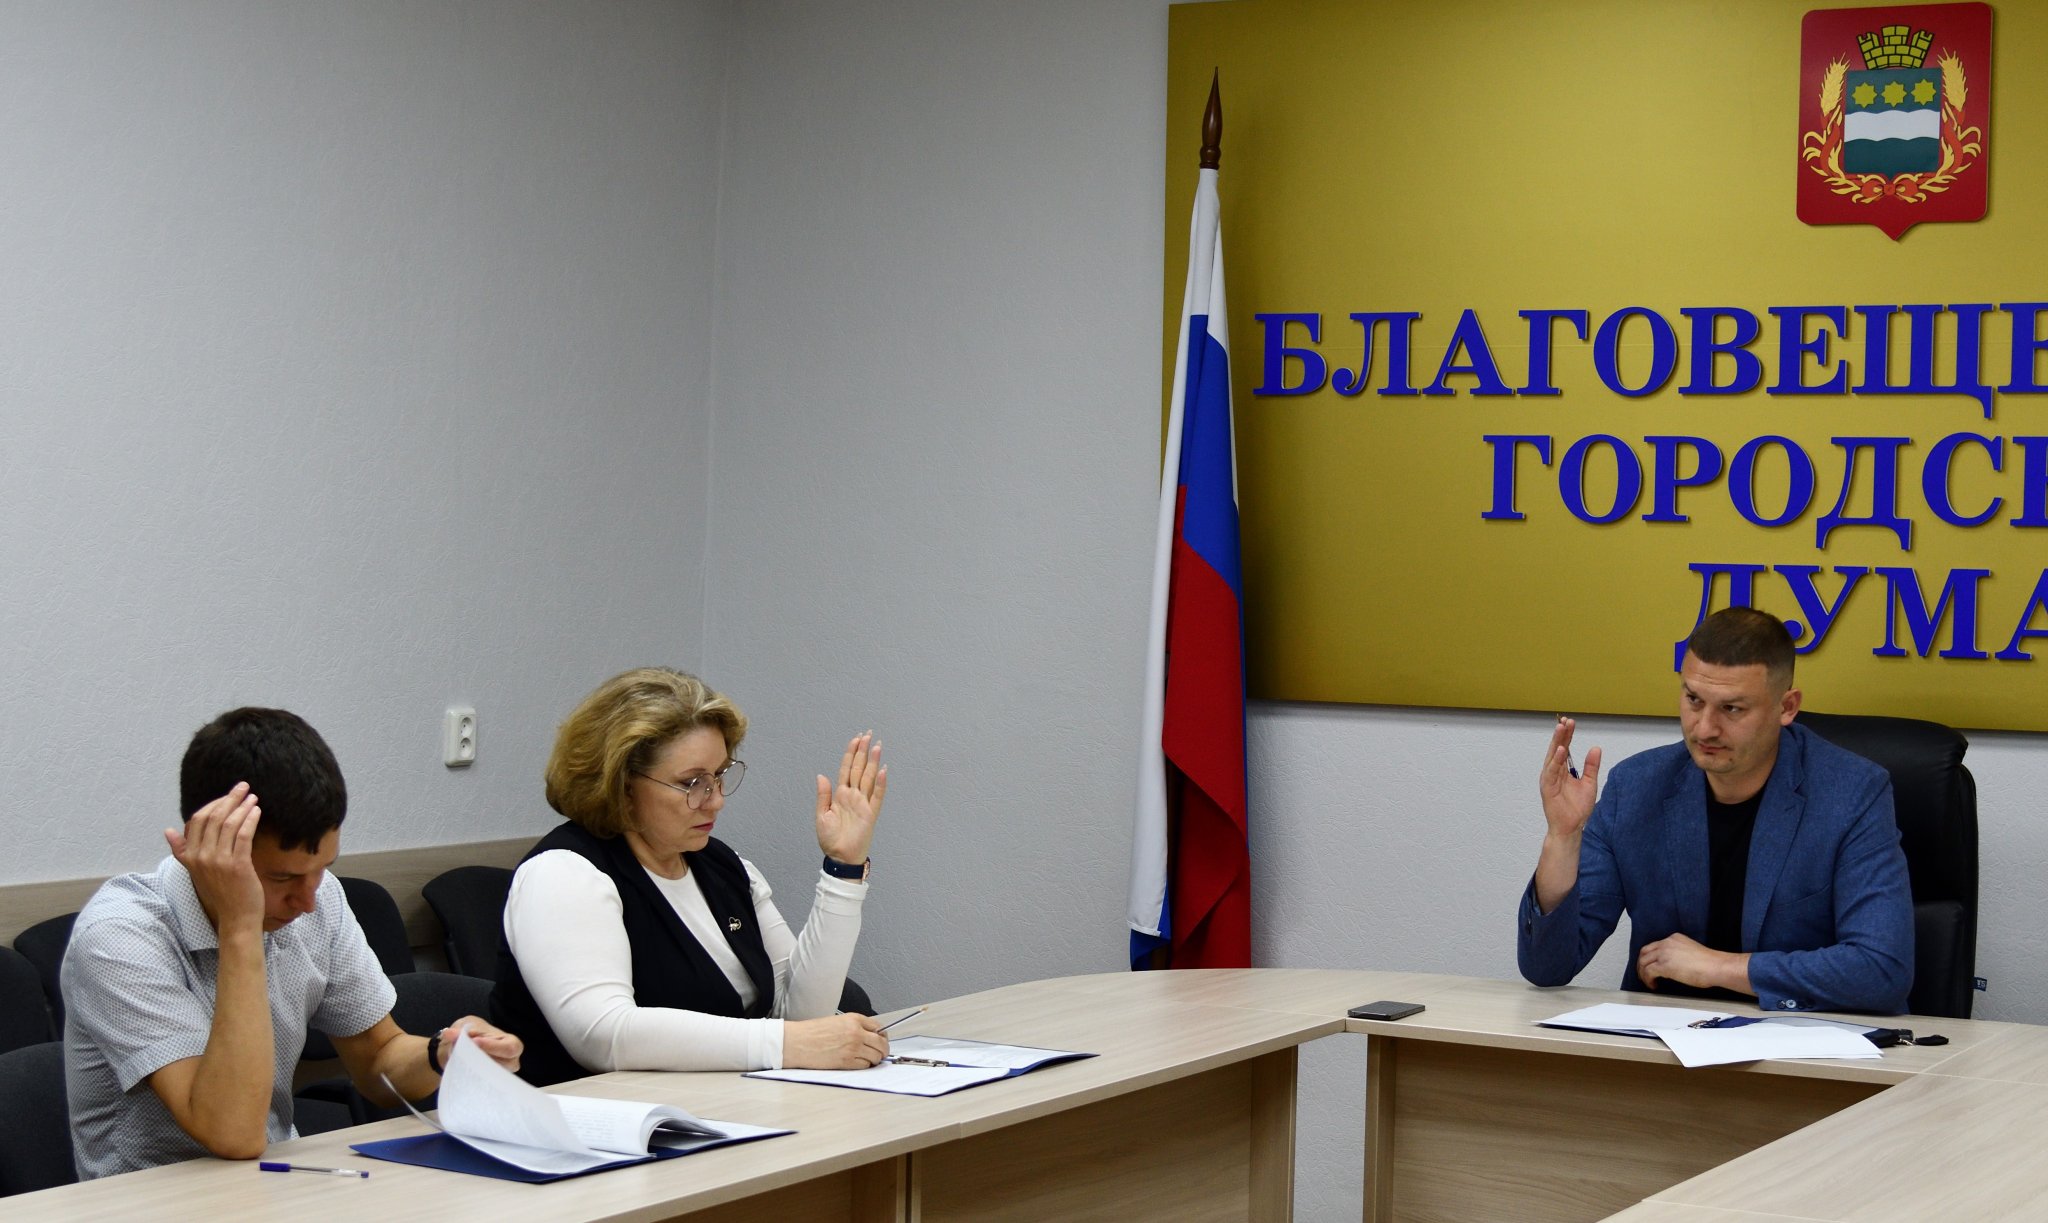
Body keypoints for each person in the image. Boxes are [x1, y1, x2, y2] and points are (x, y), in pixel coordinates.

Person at [62, 708, 522, 1179]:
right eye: (282, 878)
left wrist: (443, 1054)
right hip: (153, 1201)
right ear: (210, 848)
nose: (308, 901)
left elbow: (378, 1058)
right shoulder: (118, 937)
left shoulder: (318, 897)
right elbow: (234, 1133)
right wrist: (241, 926)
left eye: (322, 869)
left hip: (276, 1183)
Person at [491, 667, 889, 1085]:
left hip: (718, 1107)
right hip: (590, 1118)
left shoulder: (723, 866)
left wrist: (844, 868)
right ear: (622, 784)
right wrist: (786, 1044)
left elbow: (800, 1017)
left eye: (720, 776)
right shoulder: (562, 874)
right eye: (693, 783)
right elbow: (603, 1036)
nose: (716, 801)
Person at [1516, 607, 1914, 1014]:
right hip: (1663, 1040)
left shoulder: (1852, 795)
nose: (1705, 728)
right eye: (1693, 700)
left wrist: (1720, 968)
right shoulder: (1636, 788)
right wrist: (1563, 838)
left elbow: (1882, 971)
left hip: (1801, 1041)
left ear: (1787, 707)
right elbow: (1547, 968)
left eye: (1732, 709)